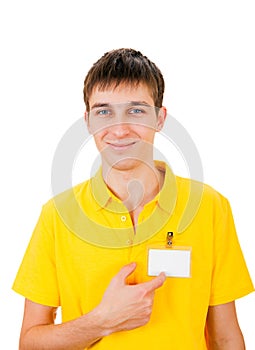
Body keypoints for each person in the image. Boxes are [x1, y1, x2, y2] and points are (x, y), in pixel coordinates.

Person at [13, 48, 254, 350]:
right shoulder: (57, 215)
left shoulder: (210, 207)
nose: (119, 129)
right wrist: (103, 320)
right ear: (88, 122)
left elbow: (226, 337)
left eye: (136, 110)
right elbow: (30, 343)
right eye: (104, 112)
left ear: (160, 118)